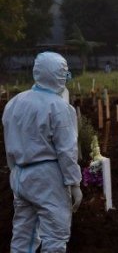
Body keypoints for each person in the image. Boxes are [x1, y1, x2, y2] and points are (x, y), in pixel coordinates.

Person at [2, 52, 82, 252]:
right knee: (55, 235)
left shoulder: (14, 102)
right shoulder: (58, 106)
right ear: (57, 75)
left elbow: (8, 143)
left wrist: (16, 170)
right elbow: (67, 151)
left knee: (23, 234)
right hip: (47, 177)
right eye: (64, 72)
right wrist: (74, 183)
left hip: (20, 175)